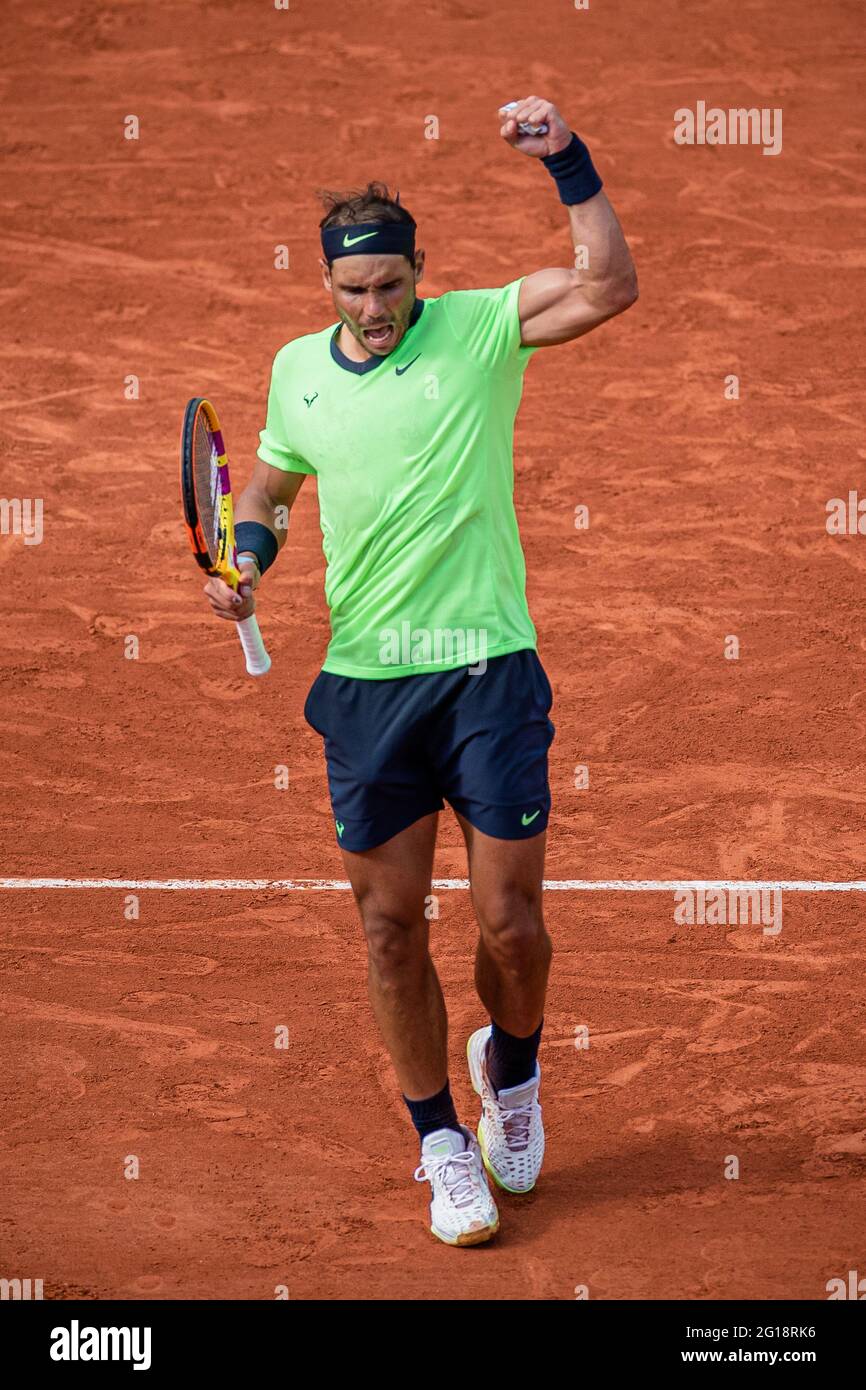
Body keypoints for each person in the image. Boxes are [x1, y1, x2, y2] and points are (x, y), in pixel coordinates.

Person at [205, 96, 637, 1246]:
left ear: (417, 275)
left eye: (391, 286)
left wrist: (569, 162)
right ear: (326, 289)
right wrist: (247, 558)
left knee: (511, 927)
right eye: (353, 291)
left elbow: (606, 284)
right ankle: (442, 1144)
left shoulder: (482, 328)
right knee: (388, 928)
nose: (374, 308)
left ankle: (516, 1069)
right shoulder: (296, 370)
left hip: (488, 672)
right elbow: (267, 488)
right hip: (368, 687)